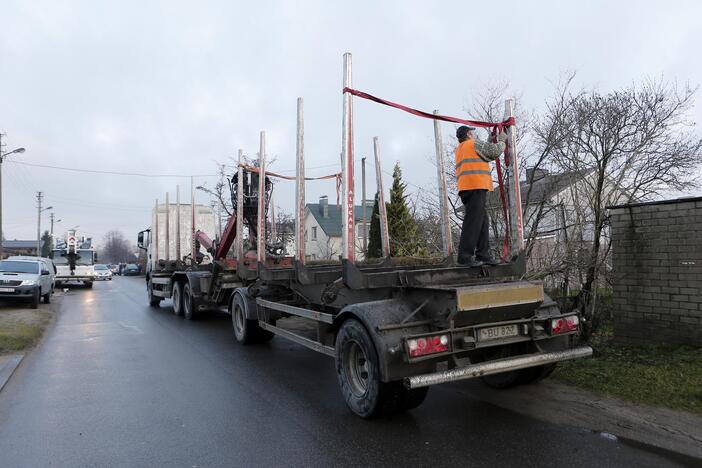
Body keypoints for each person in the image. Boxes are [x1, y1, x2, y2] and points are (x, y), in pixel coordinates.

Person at [454, 125, 507, 266]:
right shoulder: (473, 144)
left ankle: (483, 255)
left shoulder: (462, 148)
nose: (474, 135)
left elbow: (484, 152)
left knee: (482, 221)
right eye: (472, 133)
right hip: (475, 186)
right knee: (473, 222)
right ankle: (465, 257)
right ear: (469, 134)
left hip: (468, 187)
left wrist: (491, 139)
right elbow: (494, 152)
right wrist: (502, 140)